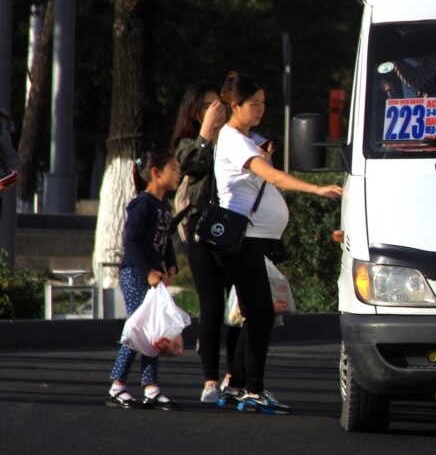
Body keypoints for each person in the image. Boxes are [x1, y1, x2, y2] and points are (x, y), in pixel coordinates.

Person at [213, 71, 342, 414]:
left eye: (263, 104)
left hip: (254, 240)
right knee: (260, 315)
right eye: (253, 105)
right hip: (245, 240)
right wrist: (316, 188)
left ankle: (238, 385)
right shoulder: (234, 140)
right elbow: (270, 176)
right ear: (235, 106)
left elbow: (258, 178)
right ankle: (252, 389)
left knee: (252, 313)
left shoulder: (243, 138)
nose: (259, 111)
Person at [170, 81, 239, 404]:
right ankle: (210, 380)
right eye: (211, 106)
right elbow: (191, 166)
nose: (218, 110)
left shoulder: (236, 139)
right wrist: (207, 135)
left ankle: (234, 377)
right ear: (198, 112)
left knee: (238, 305)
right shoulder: (189, 144)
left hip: (236, 227)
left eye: (221, 105)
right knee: (212, 304)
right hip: (202, 228)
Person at [107, 150, 182, 411]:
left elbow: (166, 238)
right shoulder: (143, 203)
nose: (178, 174)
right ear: (156, 172)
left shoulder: (164, 206)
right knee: (138, 330)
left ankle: (151, 389)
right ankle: (117, 386)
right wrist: (149, 271)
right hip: (135, 274)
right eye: (173, 168)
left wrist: (171, 263)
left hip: (153, 277)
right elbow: (132, 242)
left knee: (152, 333)